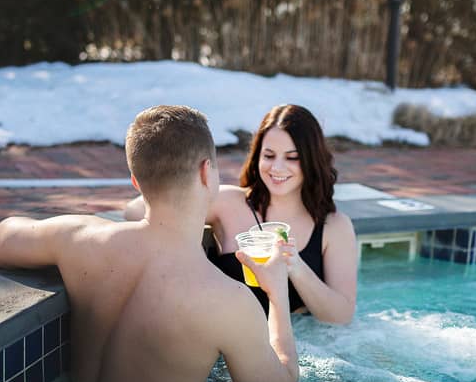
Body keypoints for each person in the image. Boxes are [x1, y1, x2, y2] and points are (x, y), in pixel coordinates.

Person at [0, 105, 298, 382]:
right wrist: (277, 293)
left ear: (136, 181)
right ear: (206, 173)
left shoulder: (80, 238)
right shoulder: (228, 300)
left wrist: (66, 225)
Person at [125, 104, 357, 325]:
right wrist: (192, 248)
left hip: (307, 349)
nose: (276, 167)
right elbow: (135, 211)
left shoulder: (334, 226)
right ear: (257, 156)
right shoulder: (229, 203)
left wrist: (295, 264)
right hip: (228, 340)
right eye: (268, 155)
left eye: (291, 157)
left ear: (311, 160)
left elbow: (341, 316)